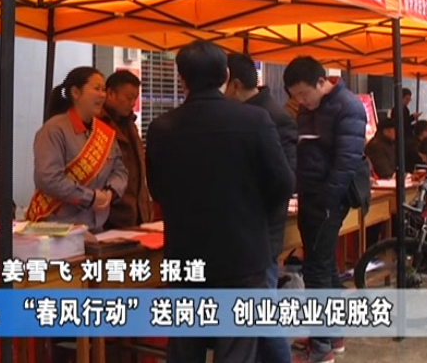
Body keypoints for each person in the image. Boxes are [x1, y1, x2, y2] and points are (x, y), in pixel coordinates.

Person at [146, 41, 294, 363]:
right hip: (243, 253)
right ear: (226, 76)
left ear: (182, 79)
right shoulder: (254, 120)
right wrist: (250, 210)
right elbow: (283, 183)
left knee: (186, 345)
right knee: (237, 347)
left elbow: (157, 189)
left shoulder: (161, 127)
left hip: (185, 254)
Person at [283, 57, 368, 363]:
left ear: (322, 82)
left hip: (329, 200)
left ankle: (321, 347)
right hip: (310, 195)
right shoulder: (309, 108)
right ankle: (333, 334)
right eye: (295, 96)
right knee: (324, 265)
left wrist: (326, 202)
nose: (301, 101)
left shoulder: (348, 106)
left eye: (304, 93)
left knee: (316, 269)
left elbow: (346, 162)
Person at [226, 53, 297, 363]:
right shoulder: (242, 114)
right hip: (242, 232)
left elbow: (285, 180)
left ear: (234, 84)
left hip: (260, 231)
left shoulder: (272, 117)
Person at [26, 67, 128, 233]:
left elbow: (120, 170)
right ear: (75, 92)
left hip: (96, 228)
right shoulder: (54, 130)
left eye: (104, 90)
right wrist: (90, 198)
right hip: (58, 230)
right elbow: (48, 178)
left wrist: (110, 192)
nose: (102, 95)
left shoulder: (105, 132)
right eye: (97, 89)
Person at [100, 70, 154, 229]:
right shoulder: (97, 125)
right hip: (110, 216)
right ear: (110, 93)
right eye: (129, 98)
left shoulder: (130, 124)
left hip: (137, 214)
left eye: (135, 98)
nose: (132, 103)